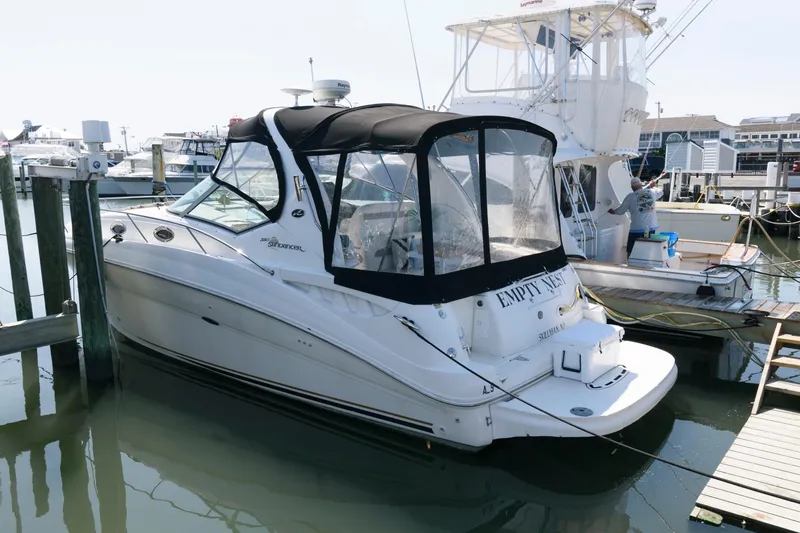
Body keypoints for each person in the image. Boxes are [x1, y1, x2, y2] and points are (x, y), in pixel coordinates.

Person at [608, 177, 664, 257]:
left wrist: (613, 212)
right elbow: (661, 192)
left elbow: (620, 211)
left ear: (632, 188)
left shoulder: (630, 197)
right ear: (641, 184)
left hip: (637, 229)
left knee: (632, 251)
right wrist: (652, 186)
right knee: (648, 251)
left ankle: (632, 265)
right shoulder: (651, 192)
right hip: (651, 228)